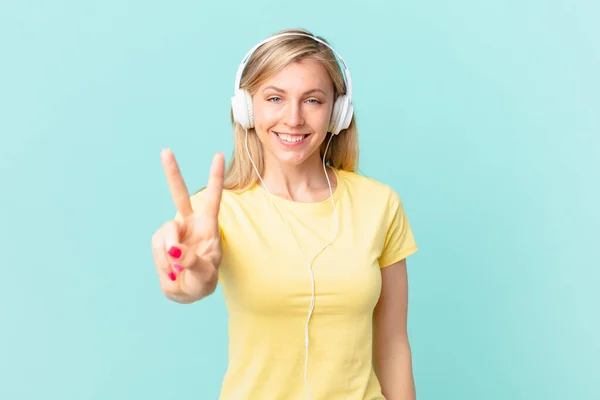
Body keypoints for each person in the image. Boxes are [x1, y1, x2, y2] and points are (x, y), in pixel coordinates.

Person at [151, 28, 419, 400]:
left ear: (337, 112)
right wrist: (186, 276)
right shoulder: (214, 212)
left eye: (312, 101)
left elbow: (392, 345)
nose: (293, 118)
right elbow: (193, 285)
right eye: (275, 98)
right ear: (246, 109)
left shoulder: (379, 204)